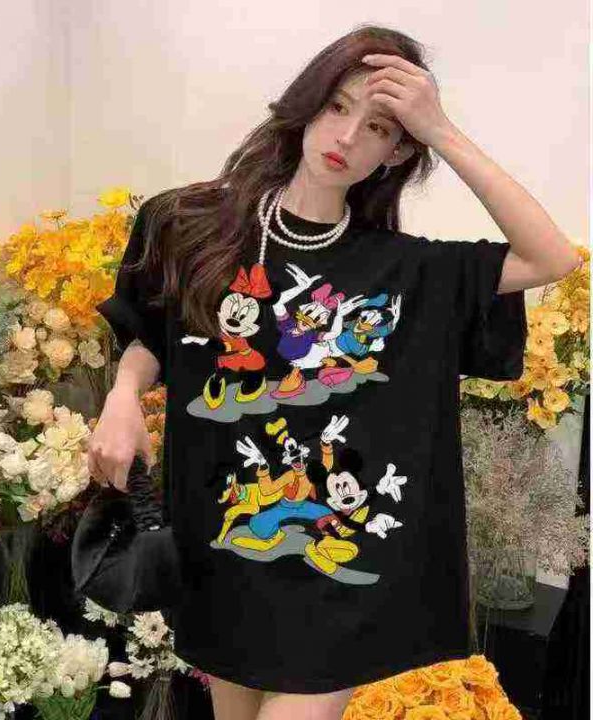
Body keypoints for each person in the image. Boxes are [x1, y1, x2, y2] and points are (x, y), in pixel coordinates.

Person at [87, 24, 581, 720]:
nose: (346, 136)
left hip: (339, 570)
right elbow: (154, 329)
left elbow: (552, 256)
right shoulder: (188, 221)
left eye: (378, 126)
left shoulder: (403, 269)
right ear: (307, 105)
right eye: (337, 106)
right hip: (222, 545)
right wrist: (122, 396)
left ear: (396, 150)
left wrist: (441, 130)